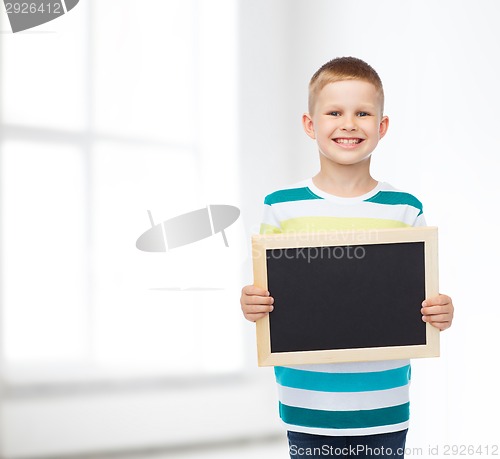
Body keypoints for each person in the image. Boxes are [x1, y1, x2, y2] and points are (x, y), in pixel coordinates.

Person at [240, 57, 454, 458]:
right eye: (334, 112)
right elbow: (264, 289)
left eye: (363, 113)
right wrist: (251, 302)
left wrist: (441, 310)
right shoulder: (281, 206)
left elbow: (420, 297)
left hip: (384, 403)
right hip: (307, 402)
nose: (349, 124)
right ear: (310, 124)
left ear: (382, 126)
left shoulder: (405, 208)